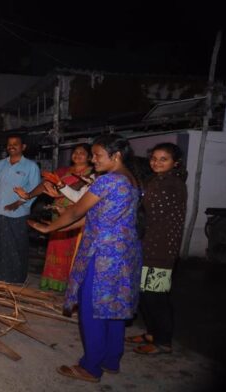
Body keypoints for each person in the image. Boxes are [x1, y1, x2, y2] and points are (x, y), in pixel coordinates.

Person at [29, 134, 142, 383]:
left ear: (116, 156)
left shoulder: (107, 181)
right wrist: (59, 226)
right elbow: (92, 216)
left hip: (103, 254)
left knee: (91, 307)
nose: (93, 159)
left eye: (97, 155)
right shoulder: (131, 181)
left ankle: (90, 367)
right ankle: (111, 359)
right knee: (113, 307)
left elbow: (78, 210)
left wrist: (50, 228)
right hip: (125, 253)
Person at [128, 143, 187, 356]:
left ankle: (164, 341)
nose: (157, 162)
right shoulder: (155, 180)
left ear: (175, 163)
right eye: (154, 158)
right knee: (145, 294)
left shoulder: (172, 184)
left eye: (164, 159)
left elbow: (148, 210)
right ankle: (152, 333)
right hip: (147, 245)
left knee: (157, 296)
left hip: (161, 249)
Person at [19, 143, 93, 291]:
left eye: (82, 153)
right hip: (57, 212)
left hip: (77, 214)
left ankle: (70, 285)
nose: (77, 155)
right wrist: (28, 195)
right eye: (75, 152)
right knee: (55, 247)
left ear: (90, 157)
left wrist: (59, 191)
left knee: (73, 249)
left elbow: (78, 192)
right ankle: (52, 282)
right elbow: (45, 184)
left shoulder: (92, 174)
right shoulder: (63, 170)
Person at [0, 134, 40, 283]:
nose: (12, 146)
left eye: (16, 143)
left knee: (16, 246)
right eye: (9, 144)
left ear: (23, 147)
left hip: (18, 214)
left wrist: (17, 204)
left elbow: (35, 190)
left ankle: (15, 279)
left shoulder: (30, 166)